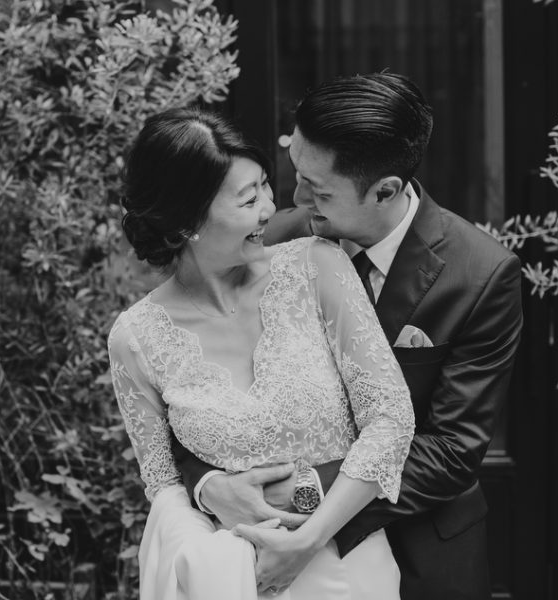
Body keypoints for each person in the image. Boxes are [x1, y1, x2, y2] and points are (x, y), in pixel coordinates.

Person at [173, 73, 524, 600]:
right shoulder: (267, 242)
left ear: (385, 190)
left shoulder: (481, 274)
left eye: (319, 190)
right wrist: (210, 484)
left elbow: (450, 450)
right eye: (297, 175)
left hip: (422, 555)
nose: (295, 198)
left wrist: (303, 499)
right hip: (267, 553)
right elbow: (188, 385)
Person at [108, 106, 416, 599]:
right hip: (230, 580)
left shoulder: (317, 267)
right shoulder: (135, 338)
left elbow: (391, 418)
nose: (270, 209)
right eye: (249, 199)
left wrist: (307, 541)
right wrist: (208, 492)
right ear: (187, 222)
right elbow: (164, 483)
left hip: (346, 572)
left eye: (266, 187)